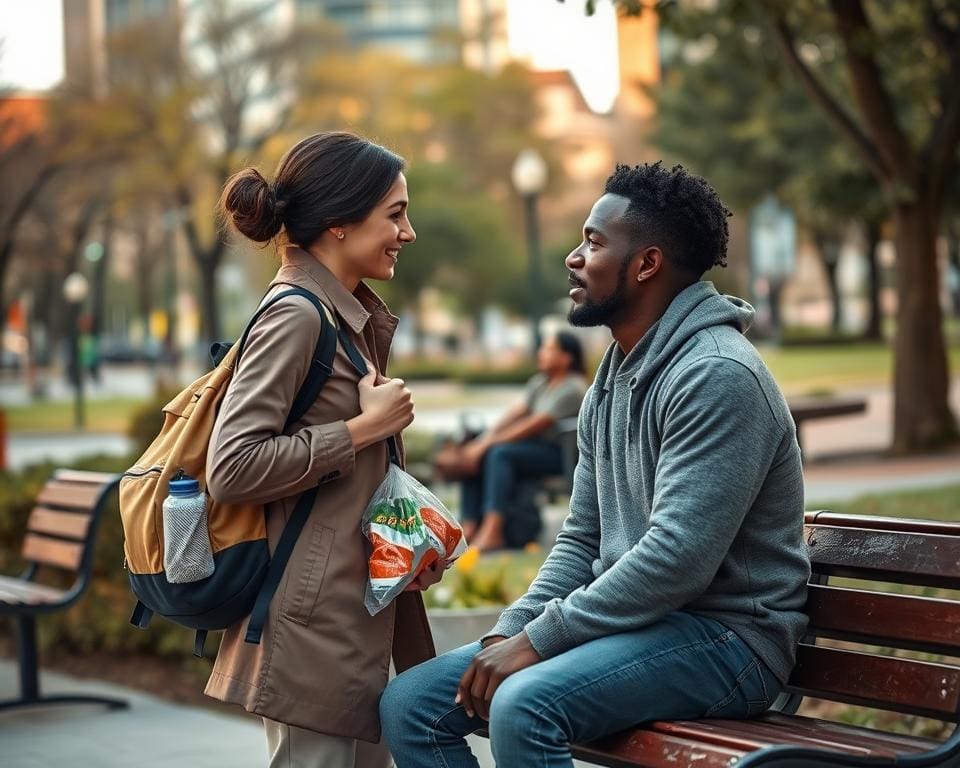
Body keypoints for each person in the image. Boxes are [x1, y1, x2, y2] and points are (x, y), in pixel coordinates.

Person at [380, 162, 811, 767]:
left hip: (729, 640)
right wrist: (513, 628)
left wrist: (538, 643)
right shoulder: (613, 376)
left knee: (523, 704)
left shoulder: (717, 375)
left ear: (647, 264)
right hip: (643, 626)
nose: (573, 258)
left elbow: (676, 560)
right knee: (410, 704)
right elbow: (583, 536)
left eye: (593, 241)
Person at [205, 132, 442, 768]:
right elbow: (232, 466)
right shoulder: (298, 315)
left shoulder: (343, 316)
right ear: (338, 223)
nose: (408, 232)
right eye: (395, 214)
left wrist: (407, 543)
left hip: (351, 610)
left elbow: (349, 488)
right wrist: (363, 429)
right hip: (314, 626)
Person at [456, 331, 587, 551]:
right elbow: (514, 415)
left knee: (499, 453)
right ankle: (469, 526)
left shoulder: (573, 388)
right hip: (532, 449)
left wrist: (486, 445)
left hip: (559, 454)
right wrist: (481, 442)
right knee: (478, 455)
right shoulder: (541, 382)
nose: (541, 354)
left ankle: (493, 529)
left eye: (548, 349)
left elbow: (533, 425)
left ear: (567, 358)